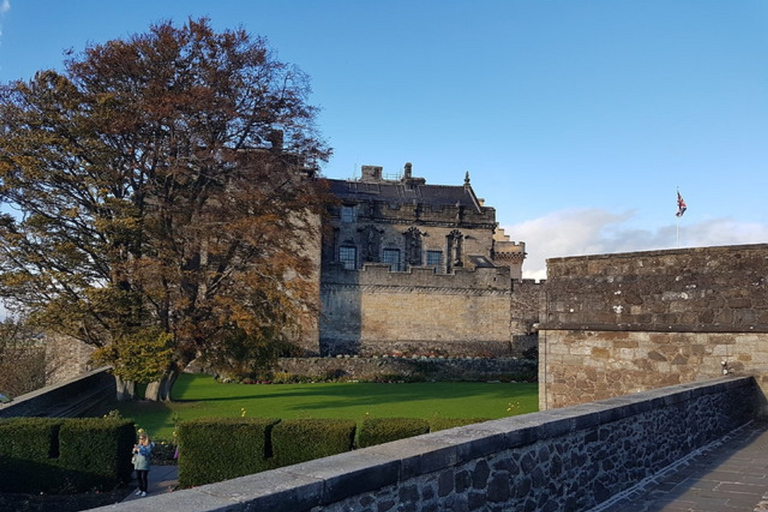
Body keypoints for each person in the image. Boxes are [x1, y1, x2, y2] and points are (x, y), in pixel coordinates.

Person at [132, 430, 155, 497]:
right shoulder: (139, 445)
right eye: (140, 438)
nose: (140, 440)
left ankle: (145, 490)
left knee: (143, 477)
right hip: (138, 463)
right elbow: (135, 454)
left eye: (142, 438)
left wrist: (140, 450)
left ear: (145, 439)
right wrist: (135, 450)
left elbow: (147, 454)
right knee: (138, 477)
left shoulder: (149, 446)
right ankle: (140, 489)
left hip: (144, 463)